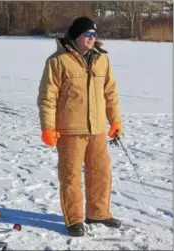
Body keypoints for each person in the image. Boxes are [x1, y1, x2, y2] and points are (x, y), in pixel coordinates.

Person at [37, 16, 122, 237]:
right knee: (71, 176)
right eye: (88, 35)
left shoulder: (102, 59)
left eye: (95, 35)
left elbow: (110, 93)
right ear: (76, 36)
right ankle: (74, 219)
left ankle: (98, 213)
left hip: (97, 130)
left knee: (101, 173)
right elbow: (47, 98)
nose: (92, 39)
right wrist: (47, 127)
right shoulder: (57, 61)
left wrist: (115, 120)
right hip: (69, 130)